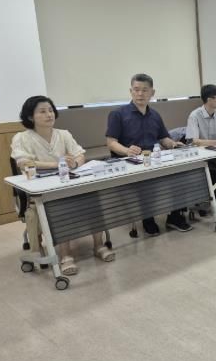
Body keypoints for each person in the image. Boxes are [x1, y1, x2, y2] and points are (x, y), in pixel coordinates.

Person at [11, 96, 114, 276]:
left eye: (51, 110)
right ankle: (66, 255)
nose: (49, 114)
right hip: (41, 189)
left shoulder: (63, 134)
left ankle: (98, 245)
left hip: (66, 184)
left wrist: (75, 163)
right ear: (30, 117)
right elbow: (24, 163)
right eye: (42, 111)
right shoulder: (22, 138)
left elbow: (80, 154)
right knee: (60, 206)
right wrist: (57, 164)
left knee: (93, 199)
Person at [106, 73, 192, 234]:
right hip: (129, 163)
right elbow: (111, 142)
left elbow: (163, 138)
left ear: (152, 93)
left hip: (153, 160)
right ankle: (148, 218)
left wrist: (173, 144)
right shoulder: (118, 114)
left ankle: (174, 216)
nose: (140, 94)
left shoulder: (155, 115)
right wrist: (127, 150)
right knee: (147, 182)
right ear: (130, 91)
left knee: (180, 175)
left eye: (145, 90)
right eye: (136, 89)